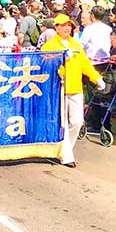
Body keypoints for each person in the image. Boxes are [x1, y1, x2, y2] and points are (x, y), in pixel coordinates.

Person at [42, 14, 105, 168]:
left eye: (69, 25)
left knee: (77, 121)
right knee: (62, 123)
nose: (66, 28)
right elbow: (45, 65)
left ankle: (65, 150)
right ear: (56, 27)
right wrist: (61, 58)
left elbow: (85, 64)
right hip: (59, 89)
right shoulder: (49, 46)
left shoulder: (76, 45)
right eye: (63, 25)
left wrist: (96, 78)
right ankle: (66, 155)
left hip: (76, 88)